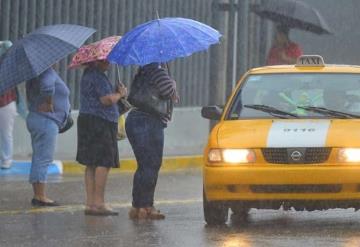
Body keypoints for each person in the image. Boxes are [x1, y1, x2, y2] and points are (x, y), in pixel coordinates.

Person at [126, 63, 178, 220]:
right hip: (148, 120)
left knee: (144, 165)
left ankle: (138, 206)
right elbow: (168, 90)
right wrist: (173, 83)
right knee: (152, 164)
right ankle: (146, 206)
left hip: (135, 119)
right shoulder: (156, 68)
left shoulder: (143, 70)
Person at [76, 60, 127, 216]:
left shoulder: (88, 75)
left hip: (87, 120)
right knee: (104, 162)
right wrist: (120, 94)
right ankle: (99, 203)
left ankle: (91, 203)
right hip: (101, 122)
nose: (110, 62)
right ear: (97, 61)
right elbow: (106, 100)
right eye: (106, 60)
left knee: (91, 162)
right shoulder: (97, 76)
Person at [26, 67, 71, 206]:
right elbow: (47, 87)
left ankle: (38, 194)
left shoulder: (33, 74)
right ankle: (40, 196)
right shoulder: (45, 71)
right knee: (43, 158)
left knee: (39, 157)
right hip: (46, 120)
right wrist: (49, 102)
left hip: (39, 119)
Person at [0, 41, 17, 169]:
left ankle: (7, 159)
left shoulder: (10, 67)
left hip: (6, 103)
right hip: (7, 103)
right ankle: (6, 158)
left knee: (6, 133)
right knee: (6, 133)